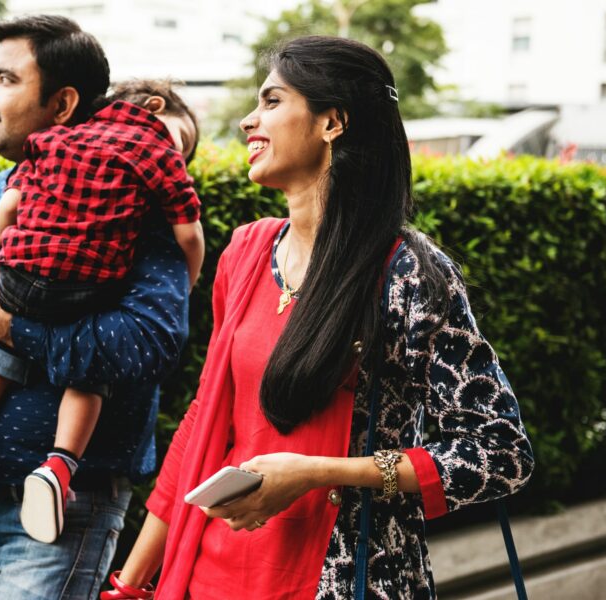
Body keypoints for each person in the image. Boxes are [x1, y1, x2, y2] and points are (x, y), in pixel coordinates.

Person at [101, 36, 534, 600]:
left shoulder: (407, 274)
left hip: (343, 575)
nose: (248, 121)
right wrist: (131, 585)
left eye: (272, 101)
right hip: (214, 573)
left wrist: (316, 472)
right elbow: (206, 421)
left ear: (333, 122)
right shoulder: (246, 255)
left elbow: (499, 451)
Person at [0, 15, 194, 599]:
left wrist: (7, 324)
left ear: (63, 104)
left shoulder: (133, 200)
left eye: (4, 79)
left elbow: (147, 344)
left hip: (65, 511)